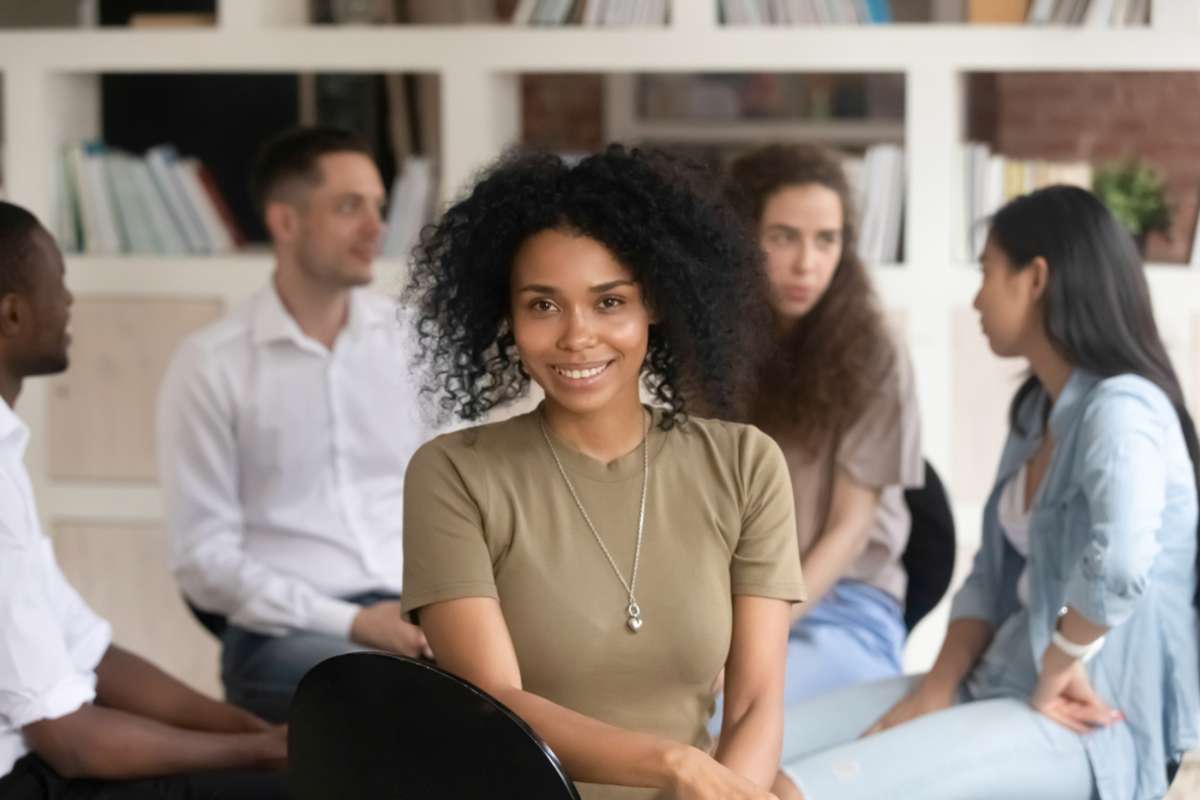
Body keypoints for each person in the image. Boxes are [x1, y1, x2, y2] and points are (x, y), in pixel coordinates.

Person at [399, 146, 805, 800]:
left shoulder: (745, 464)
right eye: (543, 305)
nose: (577, 336)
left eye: (609, 302)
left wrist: (720, 790)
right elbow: (496, 704)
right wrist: (675, 765)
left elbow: (757, 702)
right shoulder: (452, 475)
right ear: (506, 316)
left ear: (657, 305)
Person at [772, 185, 1200, 800]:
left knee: (793, 791)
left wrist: (1059, 660)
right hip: (995, 675)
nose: (976, 295)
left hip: (1088, 715)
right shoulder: (1036, 415)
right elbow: (988, 577)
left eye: (987, 271)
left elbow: (1124, 561)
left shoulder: (1123, 409)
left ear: (1035, 279)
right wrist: (934, 691)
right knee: (736, 763)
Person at [0, 201, 288, 799]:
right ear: (12, 314)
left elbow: (92, 653)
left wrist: (255, 732)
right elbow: (71, 742)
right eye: (59, 283)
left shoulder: (7, 453)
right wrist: (258, 754)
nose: (70, 301)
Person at [157, 127, 431, 723]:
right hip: (287, 630)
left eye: (378, 207)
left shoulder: (413, 344)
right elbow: (202, 558)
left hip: (418, 614)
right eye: (349, 207)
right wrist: (355, 622)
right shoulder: (213, 364)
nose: (375, 227)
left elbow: (459, 498)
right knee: (389, 699)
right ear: (286, 222)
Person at [722, 144, 923, 703]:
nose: (807, 264)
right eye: (783, 236)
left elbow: (851, 527)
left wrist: (752, 639)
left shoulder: (874, 349)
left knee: (718, 718)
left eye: (826, 240)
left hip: (842, 607)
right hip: (721, 603)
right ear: (742, 237)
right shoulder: (705, 348)